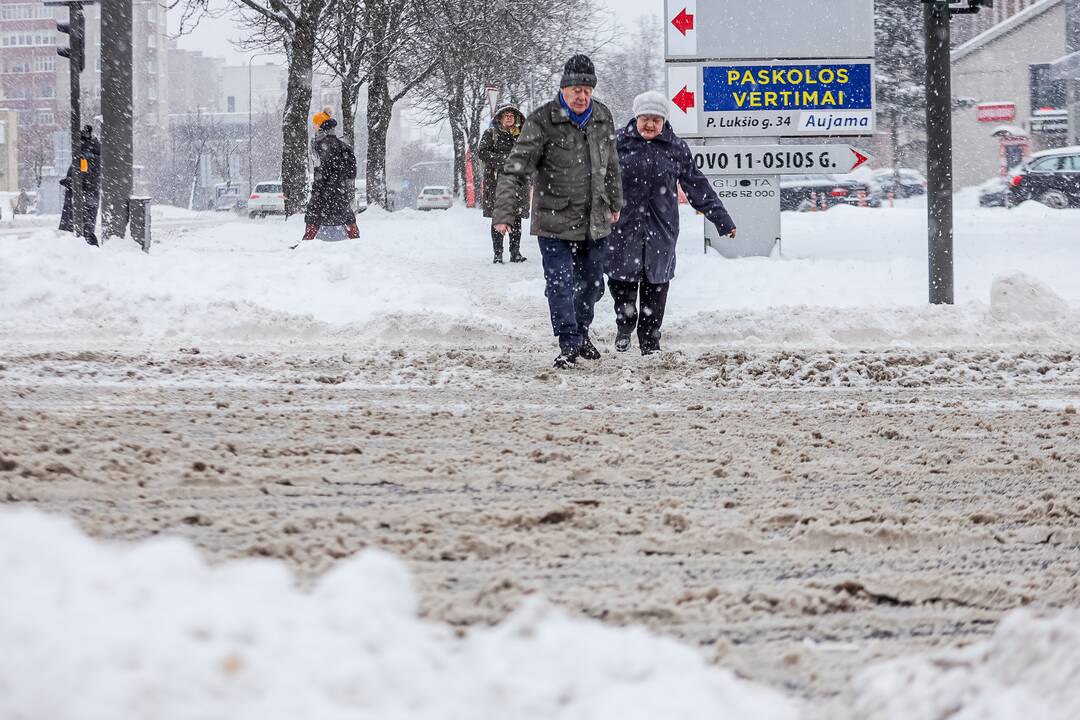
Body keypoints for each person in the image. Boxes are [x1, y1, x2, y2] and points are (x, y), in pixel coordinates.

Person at [493, 54, 623, 369]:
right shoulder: (542, 120)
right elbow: (514, 169)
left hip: (595, 219)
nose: (581, 95)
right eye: (575, 88)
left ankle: (581, 330)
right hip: (554, 219)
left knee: (593, 283)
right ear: (563, 87)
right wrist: (504, 212)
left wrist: (616, 202)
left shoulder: (602, 116)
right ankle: (569, 341)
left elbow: (612, 165)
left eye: (587, 89)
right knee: (561, 282)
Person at [606, 91, 736, 355]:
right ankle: (625, 323)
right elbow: (598, 179)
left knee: (657, 284)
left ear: (664, 121)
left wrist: (721, 219)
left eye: (656, 119)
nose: (650, 125)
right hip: (623, 226)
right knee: (621, 281)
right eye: (645, 118)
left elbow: (696, 185)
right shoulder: (617, 142)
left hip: (660, 228)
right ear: (636, 117)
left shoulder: (676, 148)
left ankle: (650, 341)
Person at [477, 104, 528, 264]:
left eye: (511, 115)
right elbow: (482, 152)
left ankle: (515, 252)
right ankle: (498, 254)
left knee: (516, 218)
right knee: (498, 218)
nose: (509, 117)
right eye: (505, 115)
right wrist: (504, 161)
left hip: (518, 182)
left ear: (517, 119)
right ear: (499, 118)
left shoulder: (522, 136)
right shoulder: (491, 134)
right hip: (496, 182)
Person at [302, 113, 360, 242]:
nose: (314, 128)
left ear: (322, 126)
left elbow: (322, 173)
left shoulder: (322, 145)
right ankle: (356, 240)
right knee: (346, 215)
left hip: (324, 191)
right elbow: (352, 172)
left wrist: (321, 189)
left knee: (313, 214)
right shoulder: (343, 145)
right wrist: (341, 182)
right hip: (340, 190)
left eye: (315, 125)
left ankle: (307, 242)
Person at [59, 125, 101, 246]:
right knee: (86, 229)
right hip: (89, 197)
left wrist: (70, 181)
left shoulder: (84, 157)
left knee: (83, 231)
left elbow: (83, 176)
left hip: (82, 198)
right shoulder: (93, 155)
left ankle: (89, 254)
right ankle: (89, 252)